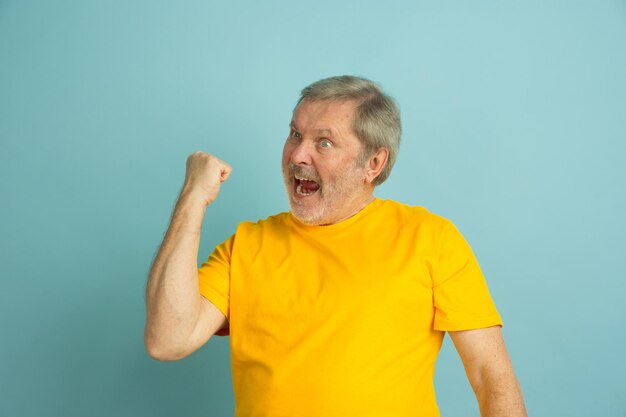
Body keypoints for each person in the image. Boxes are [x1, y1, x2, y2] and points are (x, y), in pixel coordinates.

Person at [144, 75, 527, 417]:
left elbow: (491, 377)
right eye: (295, 134)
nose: (297, 154)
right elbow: (167, 341)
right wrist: (193, 198)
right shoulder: (246, 246)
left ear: (373, 164)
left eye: (323, 143)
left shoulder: (431, 239)